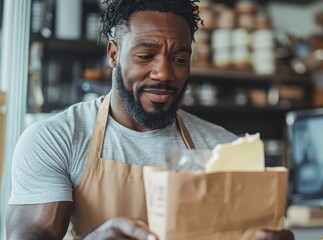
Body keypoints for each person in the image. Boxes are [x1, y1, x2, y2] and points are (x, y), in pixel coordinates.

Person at [6, 0, 294, 239]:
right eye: (146, 56)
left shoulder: (222, 147)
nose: (164, 73)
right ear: (114, 53)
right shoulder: (56, 139)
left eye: (180, 59)